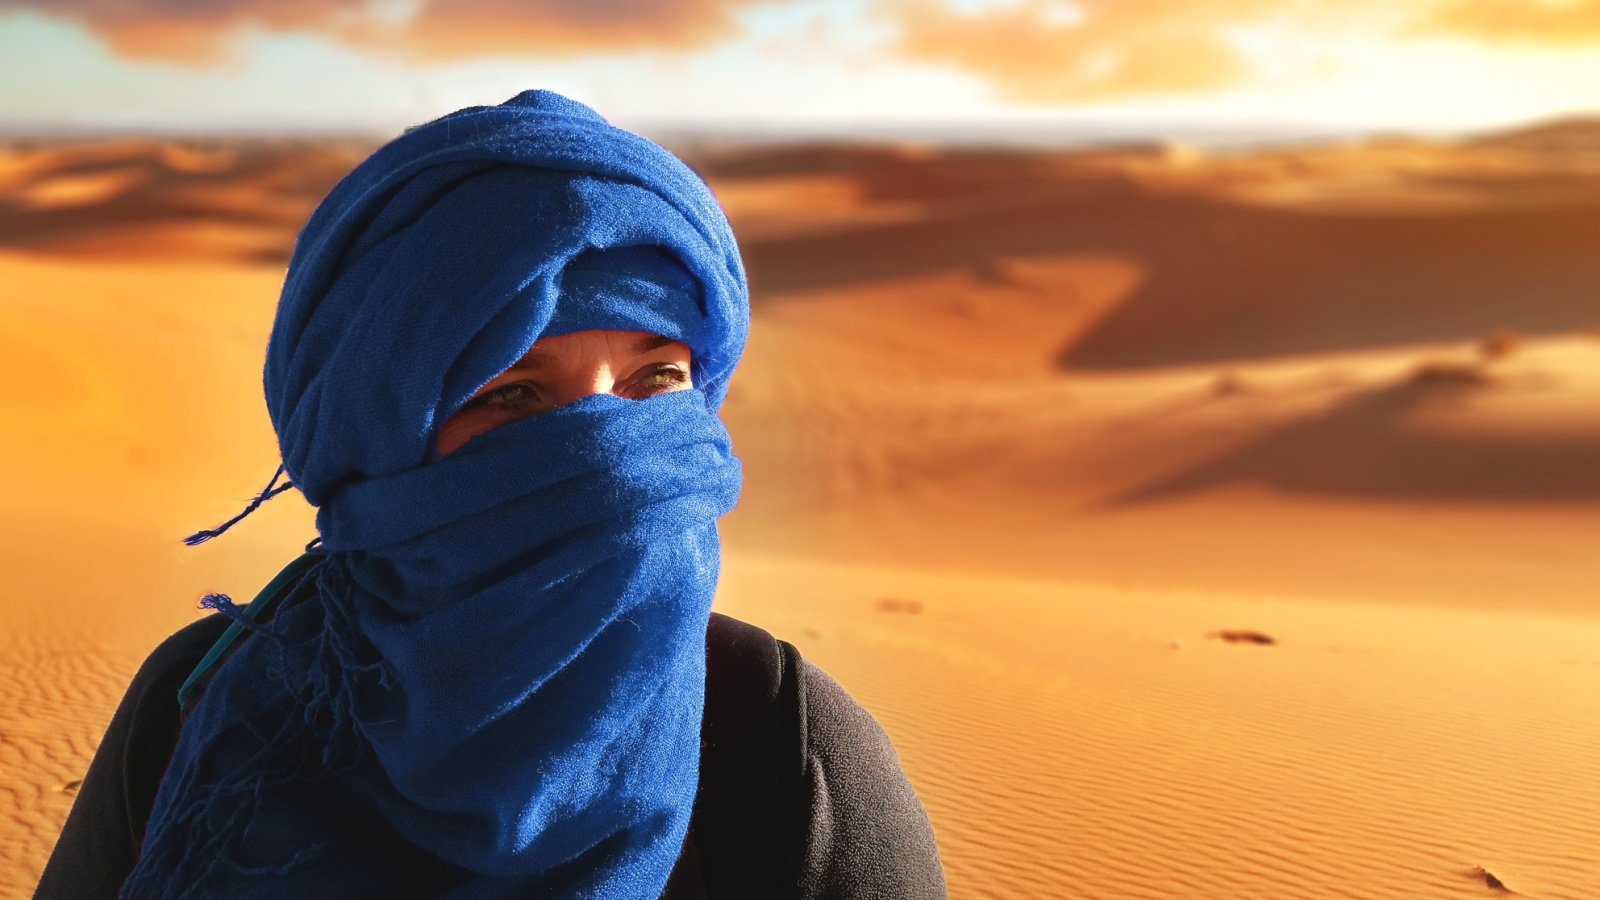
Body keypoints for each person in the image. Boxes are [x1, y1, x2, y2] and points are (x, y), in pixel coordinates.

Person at [34, 89, 946, 899]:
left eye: (656, 382)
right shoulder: (201, 705)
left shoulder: (779, 743)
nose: (607, 457)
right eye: (511, 394)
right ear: (370, 432)